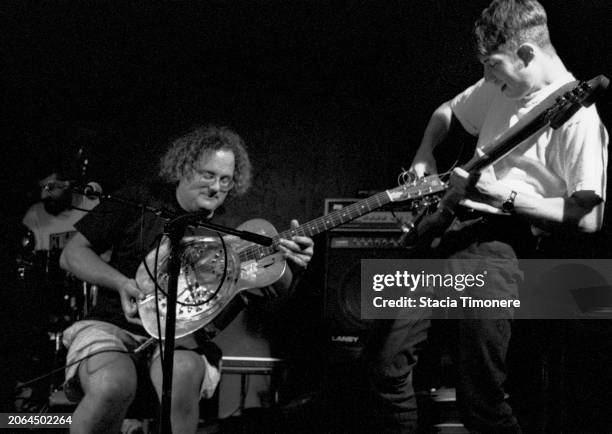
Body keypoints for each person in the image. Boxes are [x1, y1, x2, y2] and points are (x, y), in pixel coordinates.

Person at [408, 0, 608, 432]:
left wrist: (505, 195)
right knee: (386, 366)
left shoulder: (578, 120)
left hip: (496, 246)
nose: (488, 78)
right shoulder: (498, 87)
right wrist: (425, 152)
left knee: (478, 395)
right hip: (447, 229)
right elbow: (446, 112)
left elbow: (589, 219)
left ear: (527, 54)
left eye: (494, 65)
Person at [59, 125, 314, 433]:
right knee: (112, 385)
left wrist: (293, 268)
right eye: (208, 175)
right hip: (113, 325)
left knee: (184, 374)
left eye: (225, 180)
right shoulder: (139, 199)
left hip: (184, 340)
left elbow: (270, 292)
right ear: (182, 167)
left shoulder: (233, 234)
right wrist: (122, 283)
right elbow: (72, 254)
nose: (216, 187)